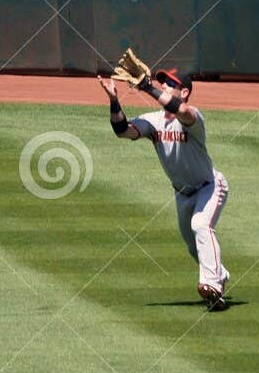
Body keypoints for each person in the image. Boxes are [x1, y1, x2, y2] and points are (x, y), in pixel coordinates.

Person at [98, 67, 230, 310]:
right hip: (182, 193)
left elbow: (180, 109)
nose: (166, 87)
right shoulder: (153, 121)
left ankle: (212, 285)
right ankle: (219, 275)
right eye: (163, 83)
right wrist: (114, 100)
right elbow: (123, 131)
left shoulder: (193, 117)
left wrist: (148, 87)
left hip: (210, 187)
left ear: (185, 91)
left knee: (201, 225)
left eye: (171, 84)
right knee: (194, 247)